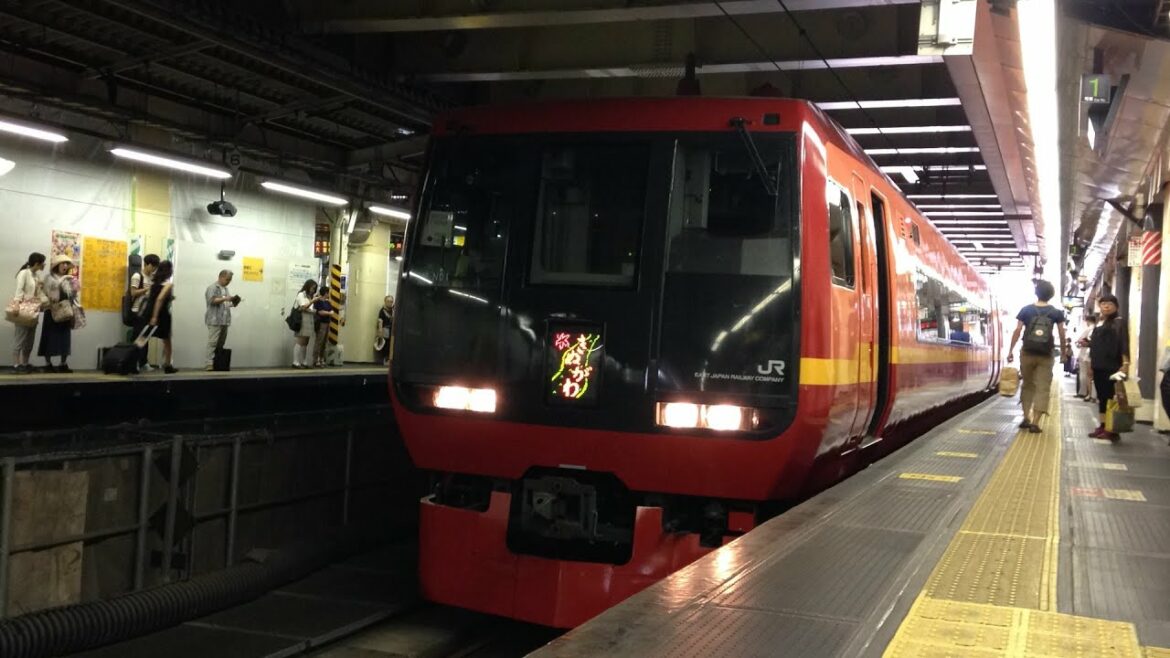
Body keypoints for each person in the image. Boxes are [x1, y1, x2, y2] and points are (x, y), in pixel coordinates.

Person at [1006, 280, 1067, 433]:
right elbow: (1062, 333)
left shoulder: (1026, 310)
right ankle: (1035, 422)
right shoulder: (1056, 312)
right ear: (1051, 295)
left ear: (1036, 293)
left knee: (1028, 384)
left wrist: (1010, 350)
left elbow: (1017, 330)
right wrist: (1064, 352)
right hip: (1046, 354)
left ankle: (1026, 417)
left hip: (1027, 352)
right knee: (1043, 387)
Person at [1086, 294, 1129, 442]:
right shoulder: (1100, 322)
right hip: (1098, 365)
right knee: (1102, 397)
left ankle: (1112, 429)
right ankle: (1103, 425)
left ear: (1116, 307)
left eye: (1110, 304)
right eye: (1103, 303)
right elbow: (1096, 345)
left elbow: (1124, 343)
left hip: (1112, 366)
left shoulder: (1119, 322)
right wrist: (1091, 364)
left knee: (1110, 398)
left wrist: (1125, 364)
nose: (1106, 306)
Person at [37, 254, 78, 373]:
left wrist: (75, 288)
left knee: (65, 337)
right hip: (52, 310)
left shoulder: (69, 279)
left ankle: (63, 363)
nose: (65, 266)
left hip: (65, 309)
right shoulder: (49, 278)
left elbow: (73, 295)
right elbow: (44, 292)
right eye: (62, 263)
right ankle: (48, 363)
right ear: (57, 265)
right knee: (48, 336)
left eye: (66, 264)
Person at [11, 252, 46, 373]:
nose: (44, 265)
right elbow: (19, 289)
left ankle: (25, 363)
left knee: (30, 339)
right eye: (43, 263)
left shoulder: (36, 275)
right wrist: (16, 304)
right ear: (37, 263)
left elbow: (37, 293)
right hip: (24, 309)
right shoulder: (24, 273)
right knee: (20, 337)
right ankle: (16, 365)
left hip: (33, 310)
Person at [146, 260, 177, 374]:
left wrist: (152, 315)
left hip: (149, 312)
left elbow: (152, 298)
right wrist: (155, 317)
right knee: (167, 341)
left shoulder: (153, 284)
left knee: (143, 338)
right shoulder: (168, 285)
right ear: (169, 271)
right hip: (162, 315)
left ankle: (136, 362)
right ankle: (168, 365)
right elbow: (159, 299)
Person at [130, 254, 159, 371]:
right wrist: (147, 289)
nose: (154, 269)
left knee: (145, 338)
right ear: (147, 264)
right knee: (138, 337)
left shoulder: (152, 278)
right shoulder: (137, 276)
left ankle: (143, 362)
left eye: (156, 267)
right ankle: (134, 362)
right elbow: (133, 293)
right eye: (153, 266)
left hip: (148, 311)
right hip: (138, 311)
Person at [205, 269, 237, 371]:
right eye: (227, 279)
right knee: (213, 342)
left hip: (224, 320)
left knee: (221, 343)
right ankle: (209, 363)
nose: (228, 282)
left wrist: (233, 303)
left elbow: (225, 304)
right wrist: (225, 298)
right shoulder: (212, 288)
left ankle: (217, 363)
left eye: (230, 280)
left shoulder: (225, 289)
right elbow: (212, 301)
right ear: (221, 277)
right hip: (214, 319)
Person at [291, 279, 320, 368]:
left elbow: (308, 308)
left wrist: (312, 308)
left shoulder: (310, 296)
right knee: (300, 340)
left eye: (314, 289)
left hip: (309, 318)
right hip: (302, 318)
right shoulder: (301, 295)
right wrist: (312, 301)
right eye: (312, 288)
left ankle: (304, 361)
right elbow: (303, 307)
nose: (313, 290)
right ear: (307, 286)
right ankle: (295, 362)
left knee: (306, 342)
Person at [1075, 315, 1097, 401]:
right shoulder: (1096, 328)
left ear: (1087, 321)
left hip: (1086, 354)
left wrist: (1080, 343)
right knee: (1090, 375)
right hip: (1092, 354)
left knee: (1085, 374)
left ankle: (1084, 392)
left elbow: (1079, 340)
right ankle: (1090, 394)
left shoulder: (1088, 329)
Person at [311, 287, 333, 368]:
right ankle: (315, 360)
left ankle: (321, 359)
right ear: (325, 293)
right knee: (319, 341)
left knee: (324, 342)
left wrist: (327, 312)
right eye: (328, 292)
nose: (329, 294)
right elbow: (320, 312)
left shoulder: (328, 302)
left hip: (327, 323)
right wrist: (328, 313)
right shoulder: (318, 302)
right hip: (321, 323)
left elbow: (332, 311)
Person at [376, 295, 394, 365]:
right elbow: (380, 321)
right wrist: (380, 331)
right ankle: (385, 359)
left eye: (391, 301)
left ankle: (389, 359)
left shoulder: (393, 310)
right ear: (385, 301)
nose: (390, 303)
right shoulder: (382, 311)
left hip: (392, 330)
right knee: (385, 344)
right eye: (388, 301)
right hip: (385, 329)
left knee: (390, 344)